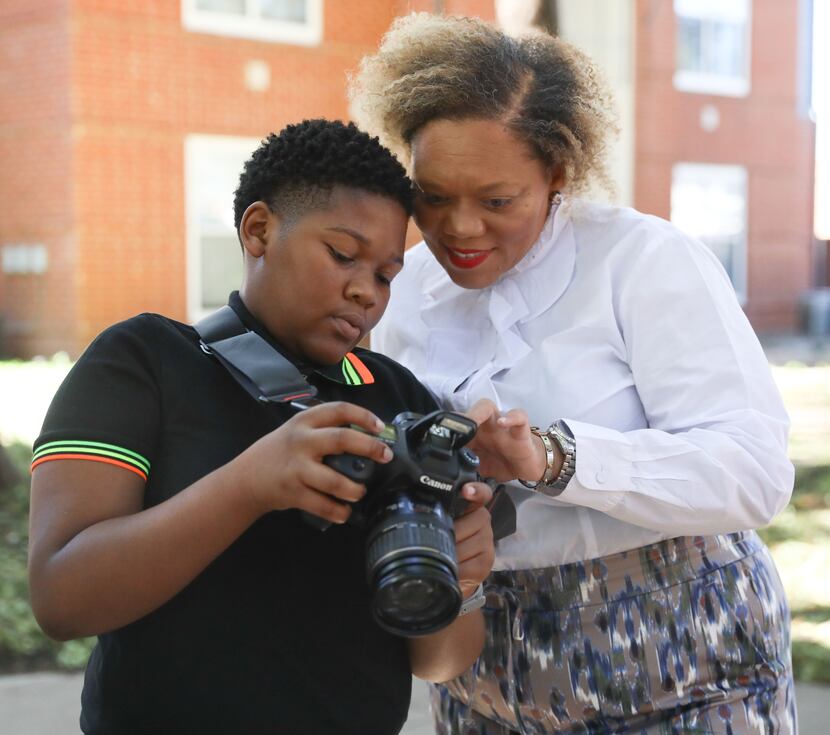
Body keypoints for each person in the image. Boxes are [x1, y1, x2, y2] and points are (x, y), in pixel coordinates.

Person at [351, 13, 797, 734]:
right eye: (432, 195)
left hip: (684, 666)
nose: (459, 228)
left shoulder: (644, 262)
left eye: (497, 200)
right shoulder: (403, 295)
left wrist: (555, 457)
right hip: (482, 679)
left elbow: (755, 471)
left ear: (556, 174)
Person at [27, 119, 497, 735]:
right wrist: (249, 485)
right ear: (259, 230)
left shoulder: (401, 403)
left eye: (385, 275)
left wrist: (461, 581)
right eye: (342, 255)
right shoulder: (144, 360)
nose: (366, 293)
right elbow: (61, 598)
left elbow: (439, 663)